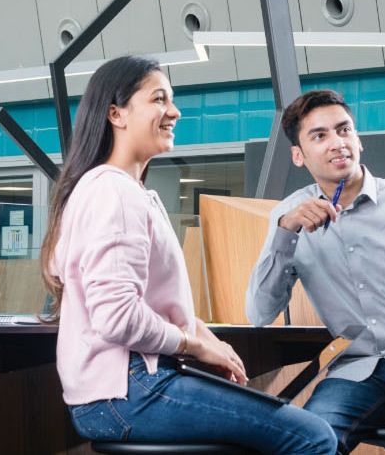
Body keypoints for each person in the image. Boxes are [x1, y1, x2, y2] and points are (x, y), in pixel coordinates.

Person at [42, 55, 336, 454]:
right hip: (129, 392)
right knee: (313, 438)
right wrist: (193, 344)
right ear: (117, 114)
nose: (174, 111)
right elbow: (116, 316)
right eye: (159, 99)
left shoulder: (108, 189)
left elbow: (152, 306)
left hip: (114, 392)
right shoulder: (116, 193)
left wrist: (205, 338)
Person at [246, 89, 385, 454]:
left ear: (358, 140)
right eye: (320, 135)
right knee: (310, 442)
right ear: (298, 156)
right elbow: (259, 313)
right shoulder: (289, 215)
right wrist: (285, 233)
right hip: (355, 371)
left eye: (344, 130)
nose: (337, 143)